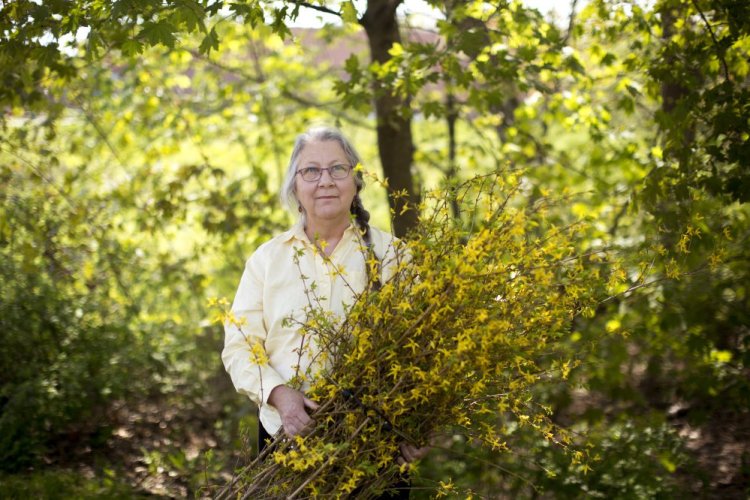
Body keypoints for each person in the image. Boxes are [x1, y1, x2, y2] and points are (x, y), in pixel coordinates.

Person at [221, 127, 428, 492]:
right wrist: (280, 395)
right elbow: (239, 347)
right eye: (311, 171)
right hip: (286, 440)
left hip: (377, 441)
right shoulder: (267, 260)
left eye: (338, 169)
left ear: (355, 181)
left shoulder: (394, 256)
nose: (325, 181)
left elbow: (424, 350)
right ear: (295, 188)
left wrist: (421, 420)